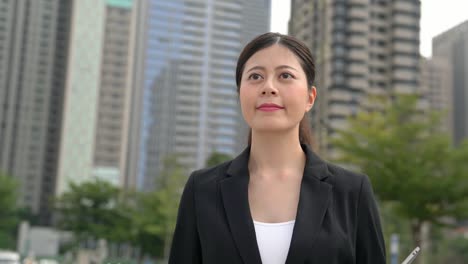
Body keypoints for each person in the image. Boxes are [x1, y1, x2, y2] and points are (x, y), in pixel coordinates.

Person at [169, 32, 386, 264]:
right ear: (239, 94)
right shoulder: (201, 190)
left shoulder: (352, 191)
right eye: (255, 77)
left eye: (285, 75)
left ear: (310, 98)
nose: (268, 87)